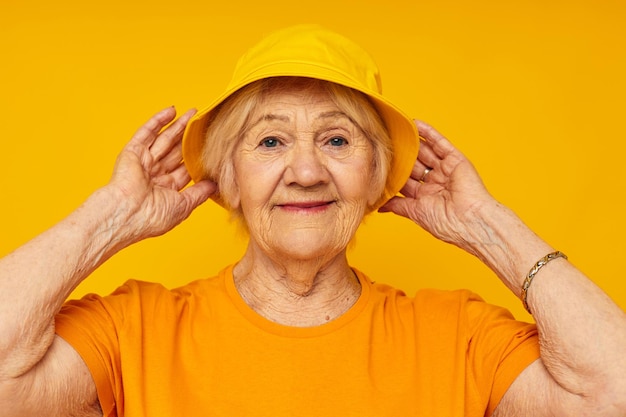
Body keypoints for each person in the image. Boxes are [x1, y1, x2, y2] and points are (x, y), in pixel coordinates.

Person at [1, 24, 625, 417]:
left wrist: (487, 225)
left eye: (337, 140)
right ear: (229, 179)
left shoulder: (457, 337)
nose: (305, 171)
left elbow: (614, 394)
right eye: (270, 142)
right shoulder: (134, 330)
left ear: (379, 177)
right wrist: (108, 218)